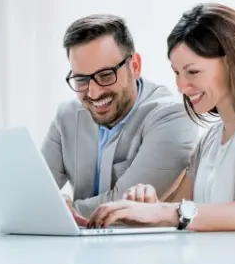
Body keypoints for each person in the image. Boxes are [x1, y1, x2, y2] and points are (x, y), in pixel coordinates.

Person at [87, 3, 235, 232]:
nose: (181, 86)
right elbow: (180, 215)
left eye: (193, 71)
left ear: (234, 62)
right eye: (177, 73)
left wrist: (165, 211)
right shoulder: (211, 140)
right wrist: (148, 207)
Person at [41, 14, 198, 224]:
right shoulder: (67, 116)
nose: (94, 93)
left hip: (141, 253)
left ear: (134, 66)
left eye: (106, 75)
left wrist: (53, 210)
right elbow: (34, 191)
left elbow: (123, 211)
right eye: (81, 79)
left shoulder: (174, 118)